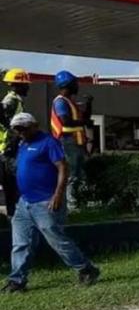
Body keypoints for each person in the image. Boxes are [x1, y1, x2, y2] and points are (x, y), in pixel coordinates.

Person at [2, 113, 100, 293]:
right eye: (17, 130)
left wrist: (58, 195)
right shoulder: (23, 144)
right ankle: (17, 280)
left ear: (34, 125)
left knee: (57, 241)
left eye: (23, 129)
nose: (20, 133)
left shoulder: (48, 142)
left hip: (45, 202)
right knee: (21, 244)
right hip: (25, 203)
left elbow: (63, 167)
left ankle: (86, 269)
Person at [50, 70, 92, 204]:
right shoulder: (60, 102)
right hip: (67, 141)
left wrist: (89, 104)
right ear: (68, 85)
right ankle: (70, 203)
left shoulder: (70, 102)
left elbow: (84, 118)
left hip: (77, 142)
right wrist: (84, 122)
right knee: (71, 173)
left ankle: (80, 200)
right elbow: (65, 121)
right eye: (75, 83)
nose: (77, 86)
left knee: (80, 173)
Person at [0, 68, 31, 216]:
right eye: (25, 84)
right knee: (12, 183)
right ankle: (14, 215)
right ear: (17, 85)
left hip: (12, 146)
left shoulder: (16, 101)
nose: (28, 87)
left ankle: (15, 214)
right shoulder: (10, 101)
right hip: (8, 148)